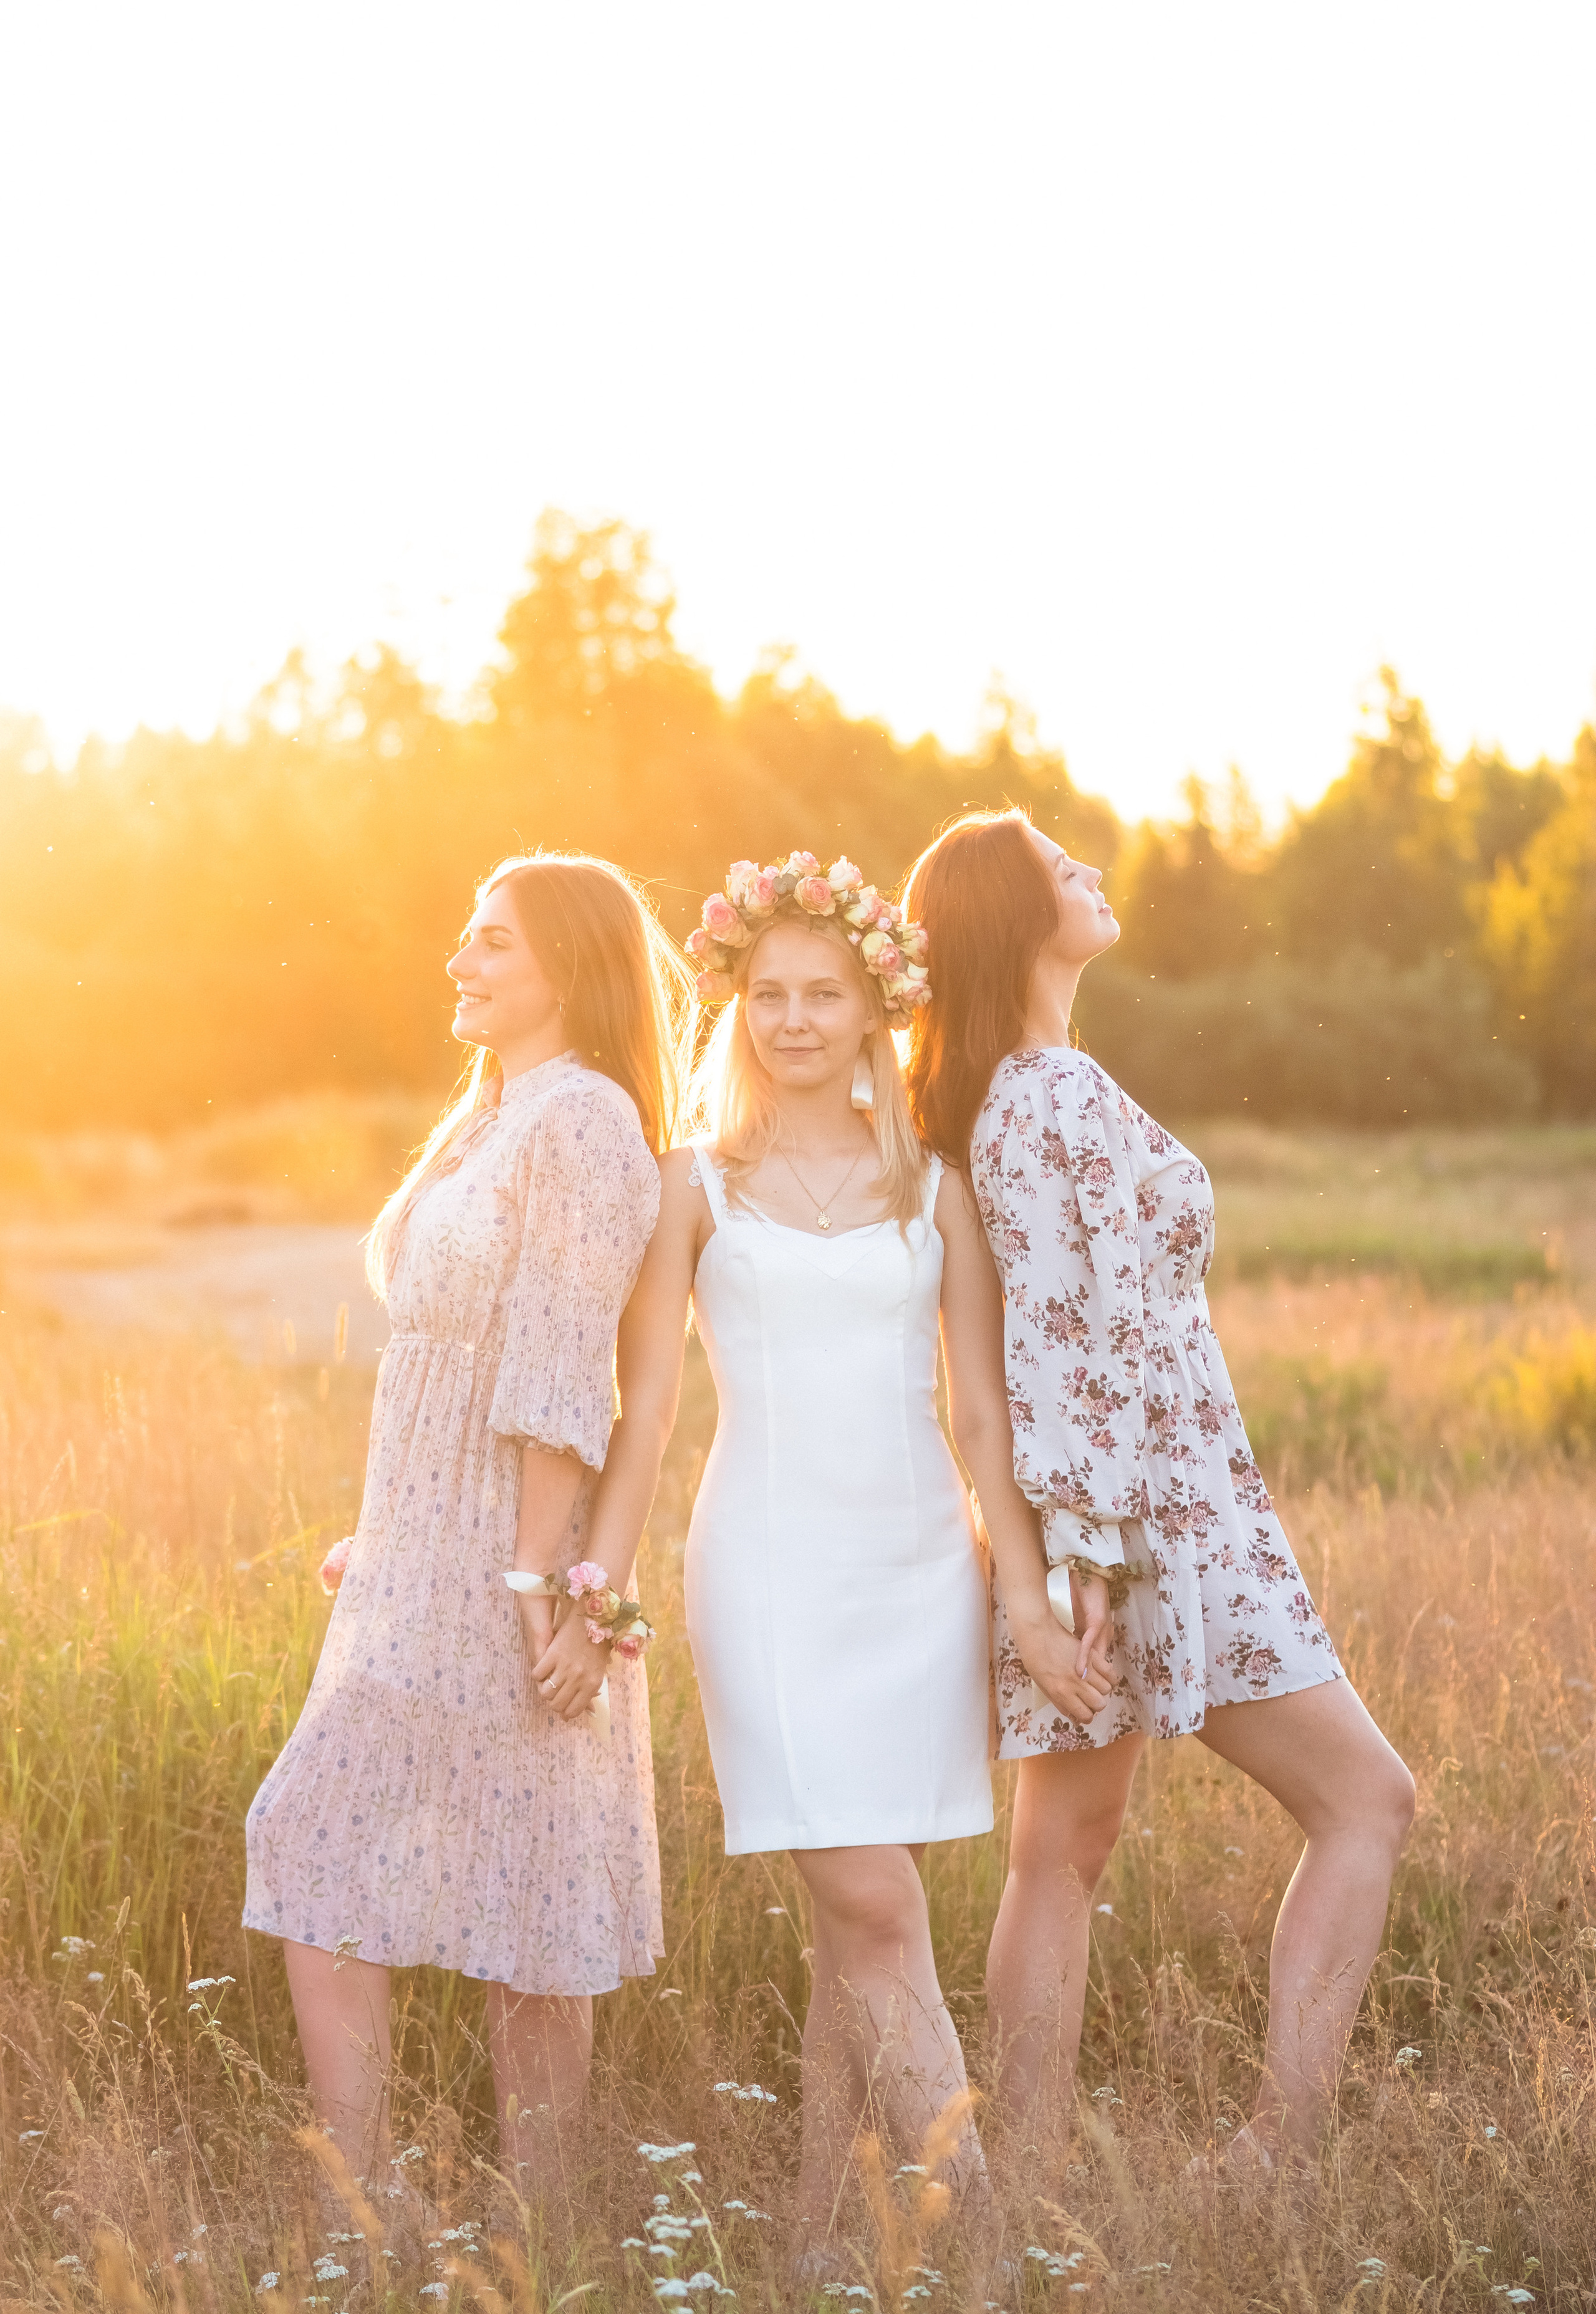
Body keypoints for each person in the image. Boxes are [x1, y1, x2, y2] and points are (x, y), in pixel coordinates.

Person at [532, 852, 1108, 2265]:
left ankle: (813, 2241)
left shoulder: (936, 1183)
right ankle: (985, 2241)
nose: (793, 1018)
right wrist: (590, 1597)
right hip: (767, 1576)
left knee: (852, 1939)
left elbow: (978, 1412)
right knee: (874, 1898)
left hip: (916, 1569)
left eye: (824, 994)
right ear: (737, 1008)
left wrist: (1022, 1601)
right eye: (770, 994)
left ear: (873, 1011)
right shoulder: (692, 1186)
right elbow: (648, 1413)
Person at [901, 810, 1416, 2172]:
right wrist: (1087, 1567)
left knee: (1062, 1845)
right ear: (1013, 921)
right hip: (1147, 1526)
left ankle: (1025, 2167)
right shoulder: (1047, 1098)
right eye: (1060, 868)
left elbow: (1023, 1366)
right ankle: (1274, 2153)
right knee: (1366, 1801)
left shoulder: (1010, 1095)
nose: (1091, 873)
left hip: (1134, 1514)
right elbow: (1074, 1349)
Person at [243, 852, 691, 2214]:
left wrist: (540, 1585)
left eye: (492, 941)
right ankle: (380, 2206)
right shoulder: (493, 1115)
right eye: (465, 935)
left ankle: (490, 2217)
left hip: (504, 1567)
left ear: (568, 965)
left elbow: (560, 1379)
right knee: (451, 1853)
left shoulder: (583, 1124)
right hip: (424, 1560)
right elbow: (448, 1359)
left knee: (479, 1867)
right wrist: (386, 1537)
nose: (459, 960)